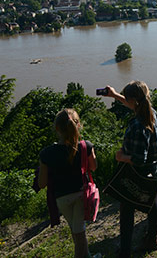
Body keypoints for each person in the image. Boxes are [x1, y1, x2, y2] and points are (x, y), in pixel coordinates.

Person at [104, 81, 157, 257]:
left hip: (139, 173)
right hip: (155, 169)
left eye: (127, 98)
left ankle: (125, 251)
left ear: (134, 101)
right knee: (152, 201)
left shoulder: (137, 125)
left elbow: (139, 159)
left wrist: (121, 157)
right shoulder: (150, 113)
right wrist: (115, 95)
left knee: (126, 210)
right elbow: (132, 103)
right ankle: (152, 239)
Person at [38, 109, 100, 258]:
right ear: (78, 125)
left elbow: (42, 184)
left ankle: (87, 256)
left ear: (57, 128)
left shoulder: (46, 153)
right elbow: (93, 167)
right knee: (79, 234)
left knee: (76, 230)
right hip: (81, 196)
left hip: (61, 199)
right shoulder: (86, 146)